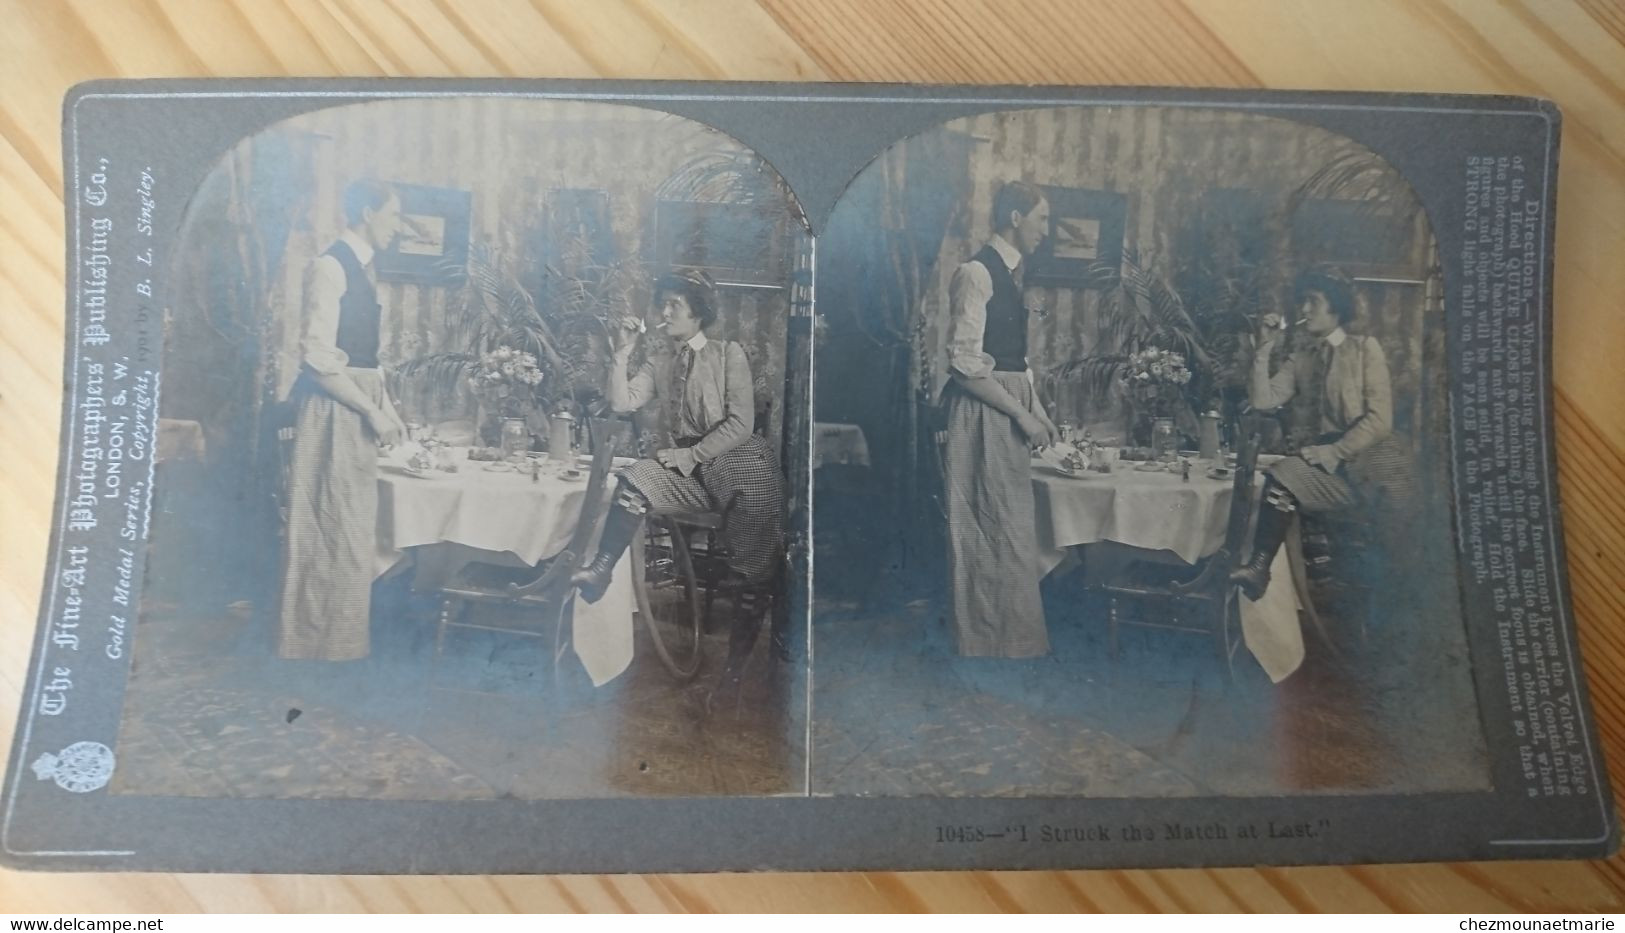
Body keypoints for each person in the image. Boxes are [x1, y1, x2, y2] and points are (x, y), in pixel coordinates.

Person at [572, 268, 784, 610]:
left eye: (674, 305)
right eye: (662, 305)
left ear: (697, 312)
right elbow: (621, 402)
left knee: (751, 574)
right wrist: (623, 353)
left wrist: (692, 455)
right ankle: (600, 570)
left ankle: (748, 598)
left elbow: (742, 423)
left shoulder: (728, 354)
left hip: (735, 463)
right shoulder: (660, 362)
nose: (664, 313)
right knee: (636, 478)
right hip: (691, 477)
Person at [1230, 267, 1417, 601]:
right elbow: (1263, 400)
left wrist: (1334, 452)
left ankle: (1386, 599)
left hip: (1378, 467)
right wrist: (1264, 349)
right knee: (1281, 475)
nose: (1304, 310)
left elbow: (1380, 420)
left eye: (1312, 302)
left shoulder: (1365, 350)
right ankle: (1259, 568)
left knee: (1396, 562)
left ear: (1336, 307)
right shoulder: (1302, 357)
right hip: (1335, 471)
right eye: (1303, 303)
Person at [278, 180, 407, 661]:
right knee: (327, 530)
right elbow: (316, 357)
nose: (397, 227)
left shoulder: (363, 269)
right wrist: (371, 408)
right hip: (333, 411)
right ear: (368, 212)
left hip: (356, 404)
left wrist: (386, 406)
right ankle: (313, 648)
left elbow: (366, 359)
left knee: (353, 534)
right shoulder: (330, 266)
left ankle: (344, 646)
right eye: (393, 216)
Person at [939, 181, 1060, 658]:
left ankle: (1014, 644)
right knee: (985, 527)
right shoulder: (976, 273)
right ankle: (985, 645)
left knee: (1010, 531)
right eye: (1042, 220)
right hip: (983, 411)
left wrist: (1040, 413)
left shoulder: (1012, 274)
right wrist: (1022, 416)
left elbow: (1015, 361)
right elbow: (965, 365)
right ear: (1015, 217)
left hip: (1008, 405)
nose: (1046, 231)